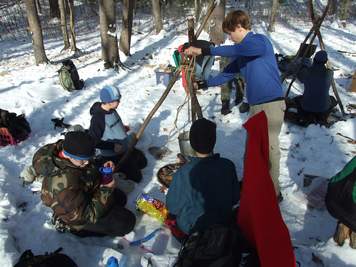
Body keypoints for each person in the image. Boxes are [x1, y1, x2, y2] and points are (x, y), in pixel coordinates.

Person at [184, 10, 285, 197]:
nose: (230, 38)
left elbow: (236, 50)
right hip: (255, 107)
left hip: (271, 106)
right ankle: (250, 185)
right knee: (252, 152)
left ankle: (273, 192)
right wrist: (204, 83)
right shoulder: (243, 53)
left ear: (239, 27)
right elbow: (226, 73)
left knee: (270, 152)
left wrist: (203, 50)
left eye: (230, 33)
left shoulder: (259, 42)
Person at [33, 131, 135, 237]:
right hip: (77, 216)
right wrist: (106, 189)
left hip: (81, 193)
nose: (87, 162)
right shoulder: (64, 186)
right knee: (126, 223)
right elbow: (86, 215)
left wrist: (103, 171)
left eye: (88, 158)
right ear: (69, 156)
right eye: (83, 160)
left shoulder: (67, 148)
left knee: (120, 198)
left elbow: (85, 169)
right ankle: (69, 226)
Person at [166, 118, 240, 240]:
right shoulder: (228, 165)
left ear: (192, 143)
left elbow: (173, 206)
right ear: (214, 141)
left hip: (193, 227)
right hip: (223, 222)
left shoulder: (185, 172)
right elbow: (235, 197)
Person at [88, 85, 147, 183]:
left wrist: (121, 128)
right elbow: (93, 141)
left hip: (124, 147)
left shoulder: (111, 110)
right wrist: (112, 146)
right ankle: (115, 172)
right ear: (109, 102)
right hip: (113, 155)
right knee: (137, 178)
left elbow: (111, 125)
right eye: (117, 100)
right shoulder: (98, 119)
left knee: (143, 163)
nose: (119, 102)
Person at [285, 50, 337, 126]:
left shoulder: (306, 72)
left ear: (314, 60)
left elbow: (299, 74)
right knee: (332, 99)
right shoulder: (329, 73)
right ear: (325, 61)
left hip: (306, 106)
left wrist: (302, 64)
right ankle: (319, 116)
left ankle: (307, 116)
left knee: (298, 100)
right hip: (323, 107)